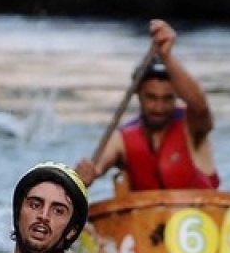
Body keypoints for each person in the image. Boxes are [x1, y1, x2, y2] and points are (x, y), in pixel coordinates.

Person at [76, 19, 219, 192]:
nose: (159, 107)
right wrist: (87, 174)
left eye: (167, 99)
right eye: (151, 98)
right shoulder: (121, 139)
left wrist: (166, 56)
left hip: (200, 216)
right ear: (138, 94)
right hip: (145, 217)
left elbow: (200, 107)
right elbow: (97, 166)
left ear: (177, 96)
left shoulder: (194, 127)